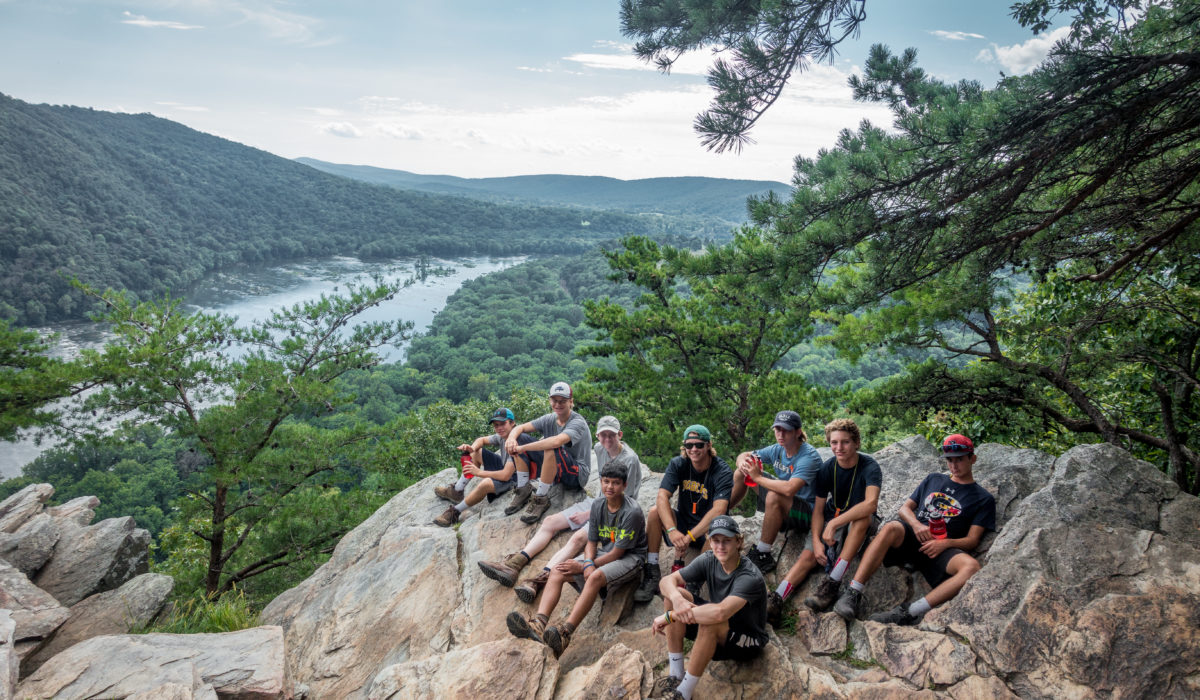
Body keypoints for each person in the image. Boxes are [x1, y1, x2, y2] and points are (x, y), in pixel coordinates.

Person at [833, 434, 996, 625]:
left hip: (943, 549)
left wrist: (944, 544)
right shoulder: (934, 479)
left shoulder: (983, 498)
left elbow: (972, 540)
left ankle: (910, 611)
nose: (954, 465)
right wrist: (917, 525)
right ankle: (853, 592)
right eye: (950, 460)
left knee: (971, 567)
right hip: (914, 537)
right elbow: (905, 509)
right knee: (891, 527)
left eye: (960, 459)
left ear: (972, 459)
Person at [478, 415, 642, 602]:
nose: (606, 440)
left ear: (619, 435)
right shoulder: (599, 448)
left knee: (579, 537)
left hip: (616, 511)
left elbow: (624, 499)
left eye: (611, 435)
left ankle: (539, 580)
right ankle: (515, 564)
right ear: (597, 436)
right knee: (550, 521)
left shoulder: (629, 459)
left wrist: (589, 514)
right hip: (598, 502)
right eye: (602, 435)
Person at [505, 462, 647, 658]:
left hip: (631, 558)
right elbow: (592, 540)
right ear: (601, 482)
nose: (610, 487)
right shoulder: (598, 505)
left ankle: (564, 634)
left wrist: (587, 566)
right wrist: (587, 563)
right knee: (557, 570)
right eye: (606, 482)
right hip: (603, 552)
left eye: (615, 483)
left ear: (624, 485)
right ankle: (539, 623)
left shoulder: (632, 512)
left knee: (595, 577)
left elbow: (618, 554)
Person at [649, 514, 768, 700]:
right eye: (716, 540)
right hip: (722, 625)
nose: (720, 547)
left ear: (738, 542)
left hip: (747, 639)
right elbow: (667, 580)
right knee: (676, 596)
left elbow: (720, 612)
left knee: (710, 621)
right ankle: (676, 675)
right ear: (710, 542)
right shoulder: (710, 558)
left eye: (726, 541)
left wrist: (670, 616)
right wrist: (676, 599)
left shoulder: (749, 576)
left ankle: (683, 694)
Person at [634, 425, 734, 605]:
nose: (693, 450)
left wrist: (689, 537)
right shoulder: (678, 463)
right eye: (689, 446)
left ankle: (694, 584)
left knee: (718, 535)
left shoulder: (722, 470)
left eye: (699, 445)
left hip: (707, 529)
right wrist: (672, 530)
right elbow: (662, 496)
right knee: (655, 512)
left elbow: (719, 509)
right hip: (684, 522)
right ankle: (652, 568)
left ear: (709, 445)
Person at [802, 418, 882, 618]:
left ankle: (833, 581)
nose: (839, 447)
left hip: (860, 522)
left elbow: (871, 504)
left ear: (856, 443)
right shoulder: (828, 468)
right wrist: (816, 540)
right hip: (835, 517)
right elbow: (818, 510)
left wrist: (836, 523)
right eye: (834, 442)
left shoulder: (869, 466)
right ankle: (780, 595)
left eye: (845, 442)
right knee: (810, 553)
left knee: (862, 518)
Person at [728, 409, 822, 575]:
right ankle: (724, 511)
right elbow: (745, 454)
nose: (781, 434)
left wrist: (756, 478)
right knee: (742, 472)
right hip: (787, 504)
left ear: (798, 432)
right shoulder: (778, 449)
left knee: (774, 494)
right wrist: (742, 462)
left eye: (786, 430)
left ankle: (763, 553)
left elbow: (789, 488)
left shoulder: (808, 457)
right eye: (778, 429)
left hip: (807, 515)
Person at [432, 407, 539, 527]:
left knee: (485, 484)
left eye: (503, 423)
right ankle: (457, 490)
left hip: (516, 479)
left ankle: (455, 512)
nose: (499, 428)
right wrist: (472, 448)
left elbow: (505, 475)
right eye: (496, 425)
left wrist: (478, 472)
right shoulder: (502, 437)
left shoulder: (515, 441)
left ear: (512, 423)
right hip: (506, 469)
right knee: (477, 452)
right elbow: (481, 440)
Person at [504, 381, 592, 524]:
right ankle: (523, 489)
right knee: (520, 438)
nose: (558, 404)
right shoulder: (550, 419)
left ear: (571, 402)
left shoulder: (577, 422)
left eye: (562, 401)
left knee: (551, 445)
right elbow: (520, 428)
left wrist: (522, 448)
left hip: (576, 475)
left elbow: (556, 442)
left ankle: (541, 498)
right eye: (554, 400)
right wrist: (512, 439)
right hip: (555, 467)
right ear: (550, 400)